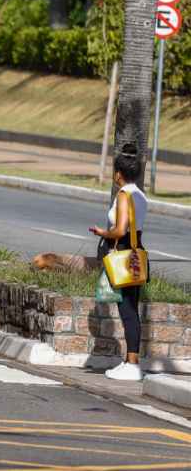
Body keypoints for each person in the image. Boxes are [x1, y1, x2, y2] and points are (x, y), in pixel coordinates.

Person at [89, 143, 148, 381]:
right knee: (131, 309)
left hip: (123, 254)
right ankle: (130, 361)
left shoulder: (124, 195)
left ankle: (132, 364)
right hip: (135, 253)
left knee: (127, 311)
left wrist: (102, 232)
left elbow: (120, 229)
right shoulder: (141, 195)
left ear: (118, 174)